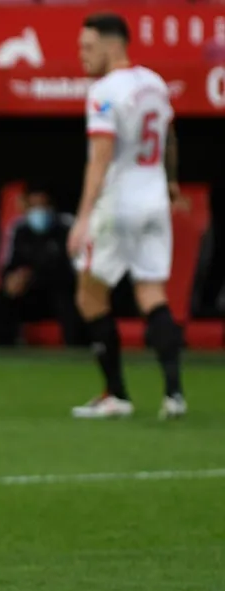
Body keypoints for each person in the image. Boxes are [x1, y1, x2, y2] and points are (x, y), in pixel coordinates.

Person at [68, 13, 185, 420]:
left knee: (89, 295)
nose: (82, 56)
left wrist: (83, 219)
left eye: (88, 47)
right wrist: (171, 183)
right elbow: (169, 135)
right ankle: (174, 395)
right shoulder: (154, 83)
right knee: (152, 294)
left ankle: (116, 394)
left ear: (112, 45)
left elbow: (100, 159)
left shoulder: (104, 90)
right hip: (154, 198)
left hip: (118, 204)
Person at [0, 183, 83, 346]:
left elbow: (75, 272)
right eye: (34, 206)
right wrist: (12, 279)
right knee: (2, 298)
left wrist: (33, 275)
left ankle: (75, 351)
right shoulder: (17, 229)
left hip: (59, 293)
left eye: (43, 205)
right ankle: (1, 349)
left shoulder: (67, 227)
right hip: (29, 295)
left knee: (69, 299)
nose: (39, 211)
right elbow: (7, 265)